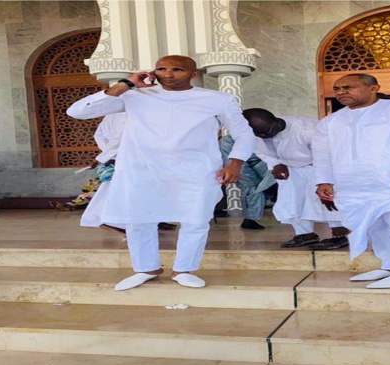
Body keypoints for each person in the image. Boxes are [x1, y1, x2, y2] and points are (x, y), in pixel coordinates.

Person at [67, 55, 255, 291]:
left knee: (195, 219)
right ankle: (146, 268)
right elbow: (77, 112)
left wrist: (235, 163)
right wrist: (125, 84)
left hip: (196, 170)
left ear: (193, 74)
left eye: (177, 69)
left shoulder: (218, 99)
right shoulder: (135, 96)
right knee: (138, 219)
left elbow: (244, 134)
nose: (168, 73)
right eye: (161, 68)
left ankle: (184, 269)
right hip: (141, 169)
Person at [313, 74, 390, 289]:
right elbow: (321, 153)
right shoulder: (330, 121)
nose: (341, 92)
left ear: (374, 88)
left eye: (348, 87)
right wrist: (323, 180)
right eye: (337, 89)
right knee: (376, 225)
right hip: (355, 184)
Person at [243, 108, 349, 250]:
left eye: (266, 131)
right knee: (292, 201)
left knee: (328, 201)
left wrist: (324, 180)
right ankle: (305, 234)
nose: (262, 135)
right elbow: (258, 150)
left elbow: (327, 154)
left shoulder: (307, 129)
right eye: (258, 133)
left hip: (318, 167)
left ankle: (339, 235)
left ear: (276, 121)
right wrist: (276, 165)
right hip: (290, 169)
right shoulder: (254, 134)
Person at [219, 134, 277, 230]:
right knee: (252, 188)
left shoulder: (259, 135)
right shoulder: (226, 142)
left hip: (261, 163)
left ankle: (251, 219)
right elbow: (233, 163)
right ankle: (249, 220)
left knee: (275, 181)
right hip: (241, 167)